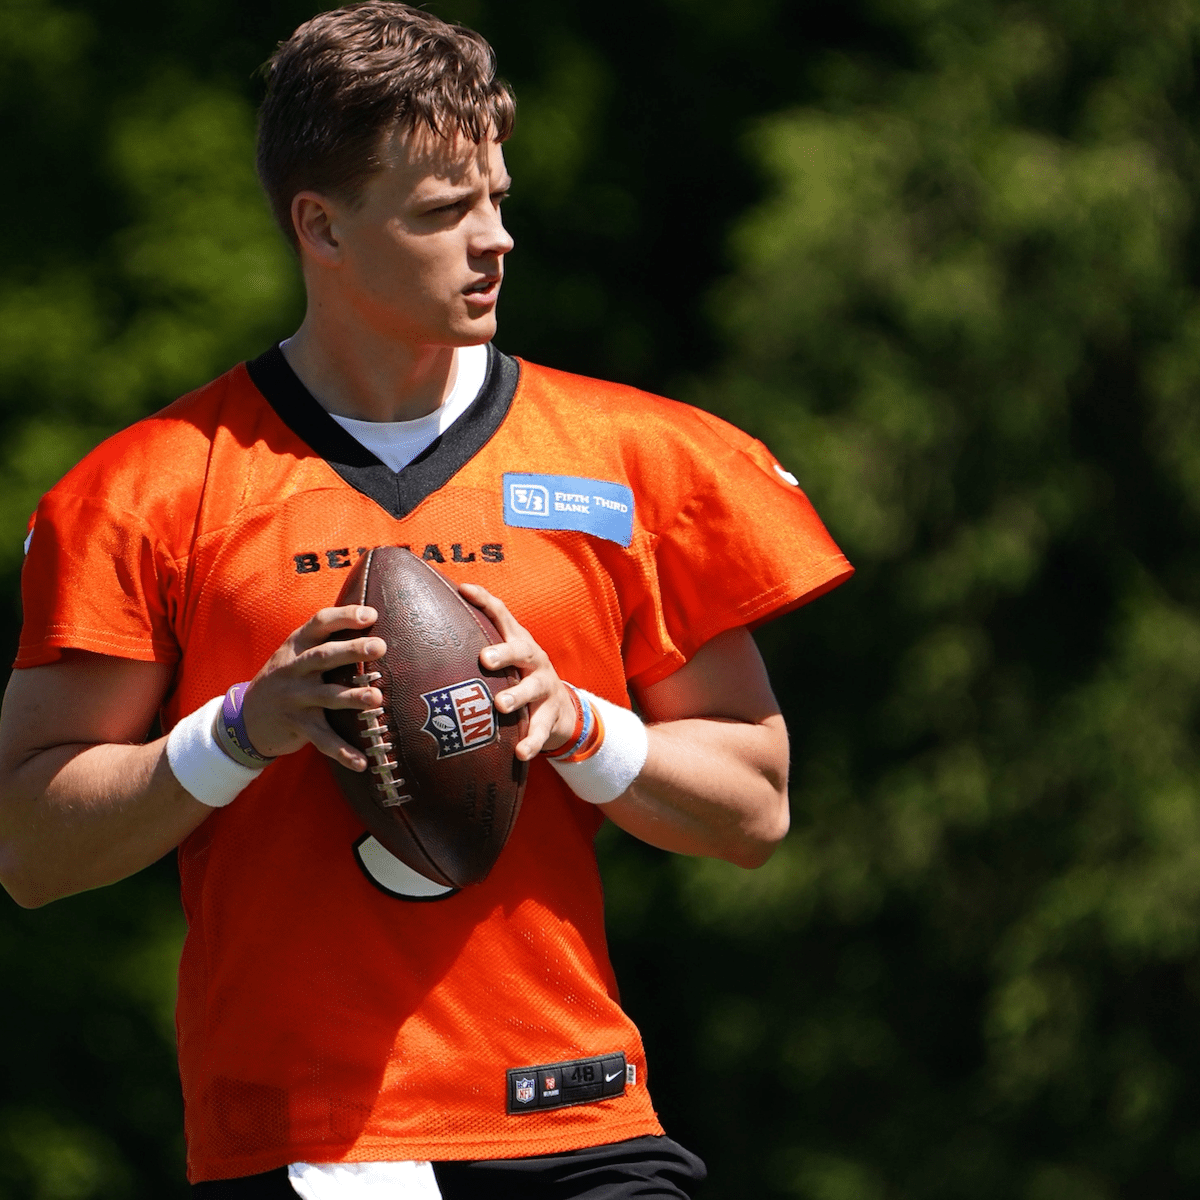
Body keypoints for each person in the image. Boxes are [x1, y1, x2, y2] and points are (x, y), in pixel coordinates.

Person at [0, 3, 853, 1197]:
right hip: (316, 1137)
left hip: (580, 1117)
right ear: (322, 227)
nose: (494, 240)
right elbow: (31, 844)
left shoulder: (639, 457)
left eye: (497, 197)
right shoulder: (151, 487)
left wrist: (581, 726)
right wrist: (246, 728)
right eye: (445, 212)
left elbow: (754, 808)